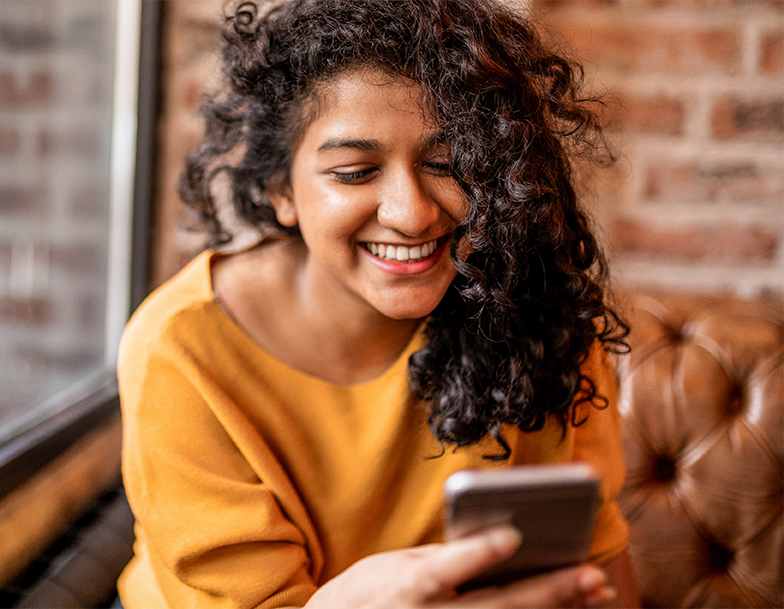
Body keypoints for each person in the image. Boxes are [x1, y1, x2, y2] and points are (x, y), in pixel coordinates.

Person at [116, 0, 640, 606]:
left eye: (447, 163)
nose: (411, 213)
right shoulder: (180, 352)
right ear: (281, 189)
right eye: (354, 172)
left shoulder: (543, 314)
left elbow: (596, 557)